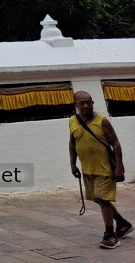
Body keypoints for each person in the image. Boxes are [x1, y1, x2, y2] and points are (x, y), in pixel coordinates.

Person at [69, 90, 130, 250]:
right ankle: (122, 223)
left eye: (89, 102)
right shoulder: (72, 121)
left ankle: (110, 236)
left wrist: (119, 167)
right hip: (87, 169)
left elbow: (115, 144)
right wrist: (72, 164)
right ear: (75, 104)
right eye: (82, 103)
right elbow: (72, 143)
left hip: (105, 169)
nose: (87, 105)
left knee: (103, 199)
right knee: (97, 198)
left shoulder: (102, 121)